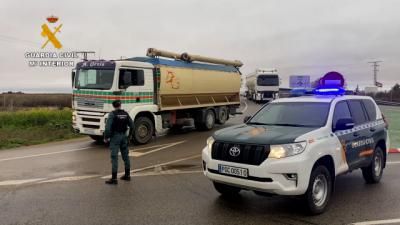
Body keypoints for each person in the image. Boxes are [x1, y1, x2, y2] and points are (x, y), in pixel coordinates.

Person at [104, 100, 134, 185]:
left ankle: (114, 179)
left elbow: (108, 128)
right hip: (124, 137)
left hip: (115, 137)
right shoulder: (125, 114)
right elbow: (132, 126)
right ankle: (127, 175)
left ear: (113, 106)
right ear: (120, 105)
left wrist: (106, 137)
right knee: (126, 156)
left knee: (114, 157)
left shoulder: (112, 114)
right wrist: (129, 136)